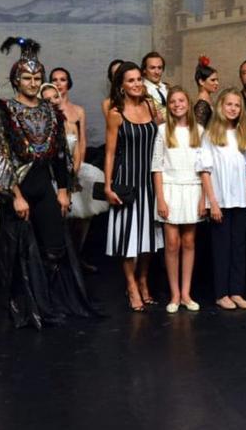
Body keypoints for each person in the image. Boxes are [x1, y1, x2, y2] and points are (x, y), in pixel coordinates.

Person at [0, 36, 99, 329]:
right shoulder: (5, 109)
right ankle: (29, 307)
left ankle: (49, 302)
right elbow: (0, 153)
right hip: (17, 188)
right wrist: (16, 196)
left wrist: (63, 190)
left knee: (54, 246)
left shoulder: (49, 110)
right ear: (15, 80)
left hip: (44, 186)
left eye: (37, 78)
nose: (33, 83)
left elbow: (59, 153)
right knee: (20, 251)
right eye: (27, 78)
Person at [103, 61, 164, 311]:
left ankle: (143, 280)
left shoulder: (150, 105)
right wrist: (108, 186)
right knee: (128, 237)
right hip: (127, 181)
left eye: (139, 79)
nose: (137, 84)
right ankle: (131, 285)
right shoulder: (116, 113)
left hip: (150, 181)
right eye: (131, 80)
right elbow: (110, 153)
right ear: (121, 85)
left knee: (149, 236)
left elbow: (162, 137)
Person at [152, 87, 205, 313]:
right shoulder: (162, 130)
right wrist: (160, 199)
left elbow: (204, 167)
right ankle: (174, 294)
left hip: (193, 189)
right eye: (172, 101)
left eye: (181, 100)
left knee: (189, 242)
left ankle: (186, 293)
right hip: (170, 189)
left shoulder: (199, 131)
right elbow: (156, 167)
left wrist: (204, 199)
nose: (177, 105)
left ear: (188, 103)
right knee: (172, 243)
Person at [199, 88, 246, 310]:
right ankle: (221, 293)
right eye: (229, 104)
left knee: (239, 247)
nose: (233, 108)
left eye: (237, 105)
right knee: (221, 248)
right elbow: (205, 170)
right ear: (221, 106)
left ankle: (236, 292)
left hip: (239, 200)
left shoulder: (243, 134)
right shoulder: (211, 135)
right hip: (220, 202)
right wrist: (212, 202)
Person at [50, 67, 108, 273]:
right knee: (60, 216)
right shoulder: (46, 109)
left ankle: (77, 257)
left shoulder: (78, 111)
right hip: (54, 169)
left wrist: (77, 168)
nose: (59, 83)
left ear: (68, 83)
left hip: (77, 166)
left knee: (84, 216)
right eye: (55, 80)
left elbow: (82, 141)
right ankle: (60, 263)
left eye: (63, 79)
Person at [193, 56, 219, 127]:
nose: (217, 83)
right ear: (201, 81)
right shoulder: (202, 105)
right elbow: (198, 130)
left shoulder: (207, 101)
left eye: (217, 80)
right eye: (213, 80)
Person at [142, 51, 169, 116]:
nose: (157, 72)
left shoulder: (169, 88)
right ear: (144, 70)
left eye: (159, 68)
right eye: (152, 68)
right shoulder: (141, 91)